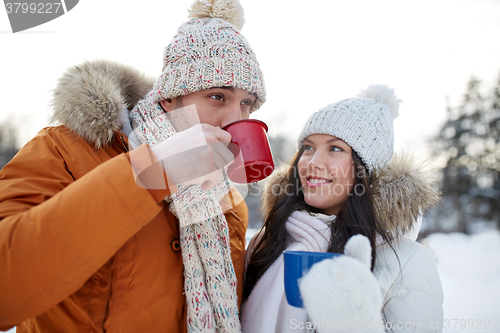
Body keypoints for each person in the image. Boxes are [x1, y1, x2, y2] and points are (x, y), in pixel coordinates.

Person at [0, 0, 266, 332]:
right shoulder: (63, 151)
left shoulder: (227, 202)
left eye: (247, 103)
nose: (235, 120)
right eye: (217, 97)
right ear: (170, 98)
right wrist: (152, 171)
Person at [242, 85, 444, 333]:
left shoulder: (407, 262)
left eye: (335, 148)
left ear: (365, 169)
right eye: (308, 147)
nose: (313, 163)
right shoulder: (267, 241)